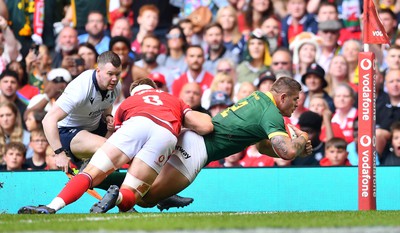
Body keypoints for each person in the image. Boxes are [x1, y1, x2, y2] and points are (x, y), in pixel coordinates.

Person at [86, 76, 312, 211]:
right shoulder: (272, 114)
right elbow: (288, 151)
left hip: (187, 136)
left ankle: (96, 176)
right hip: (198, 149)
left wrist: (294, 148)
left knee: (142, 181)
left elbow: (262, 146)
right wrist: (302, 139)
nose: (296, 105)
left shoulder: (259, 98)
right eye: (295, 100)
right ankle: (107, 185)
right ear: (283, 97)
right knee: (145, 198)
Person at [18, 78, 213, 214]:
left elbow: (122, 140)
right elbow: (205, 126)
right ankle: (118, 197)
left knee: (89, 174)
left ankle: (52, 206)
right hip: (166, 134)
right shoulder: (173, 99)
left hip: (135, 124)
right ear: (154, 88)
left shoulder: (127, 103)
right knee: (133, 192)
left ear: (134, 91)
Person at [40, 51, 121, 172]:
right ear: (98, 71)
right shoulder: (81, 88)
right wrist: (59, 153)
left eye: (117, 74)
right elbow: (48, 120)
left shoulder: (115, 86)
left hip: (93, 128)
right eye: (110, 74)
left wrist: (108, 115)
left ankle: (88, 170)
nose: (114, 79)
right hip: (67, 132)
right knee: (108, 147)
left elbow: (106, 103)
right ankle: (86, 171)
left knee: (125, 143)